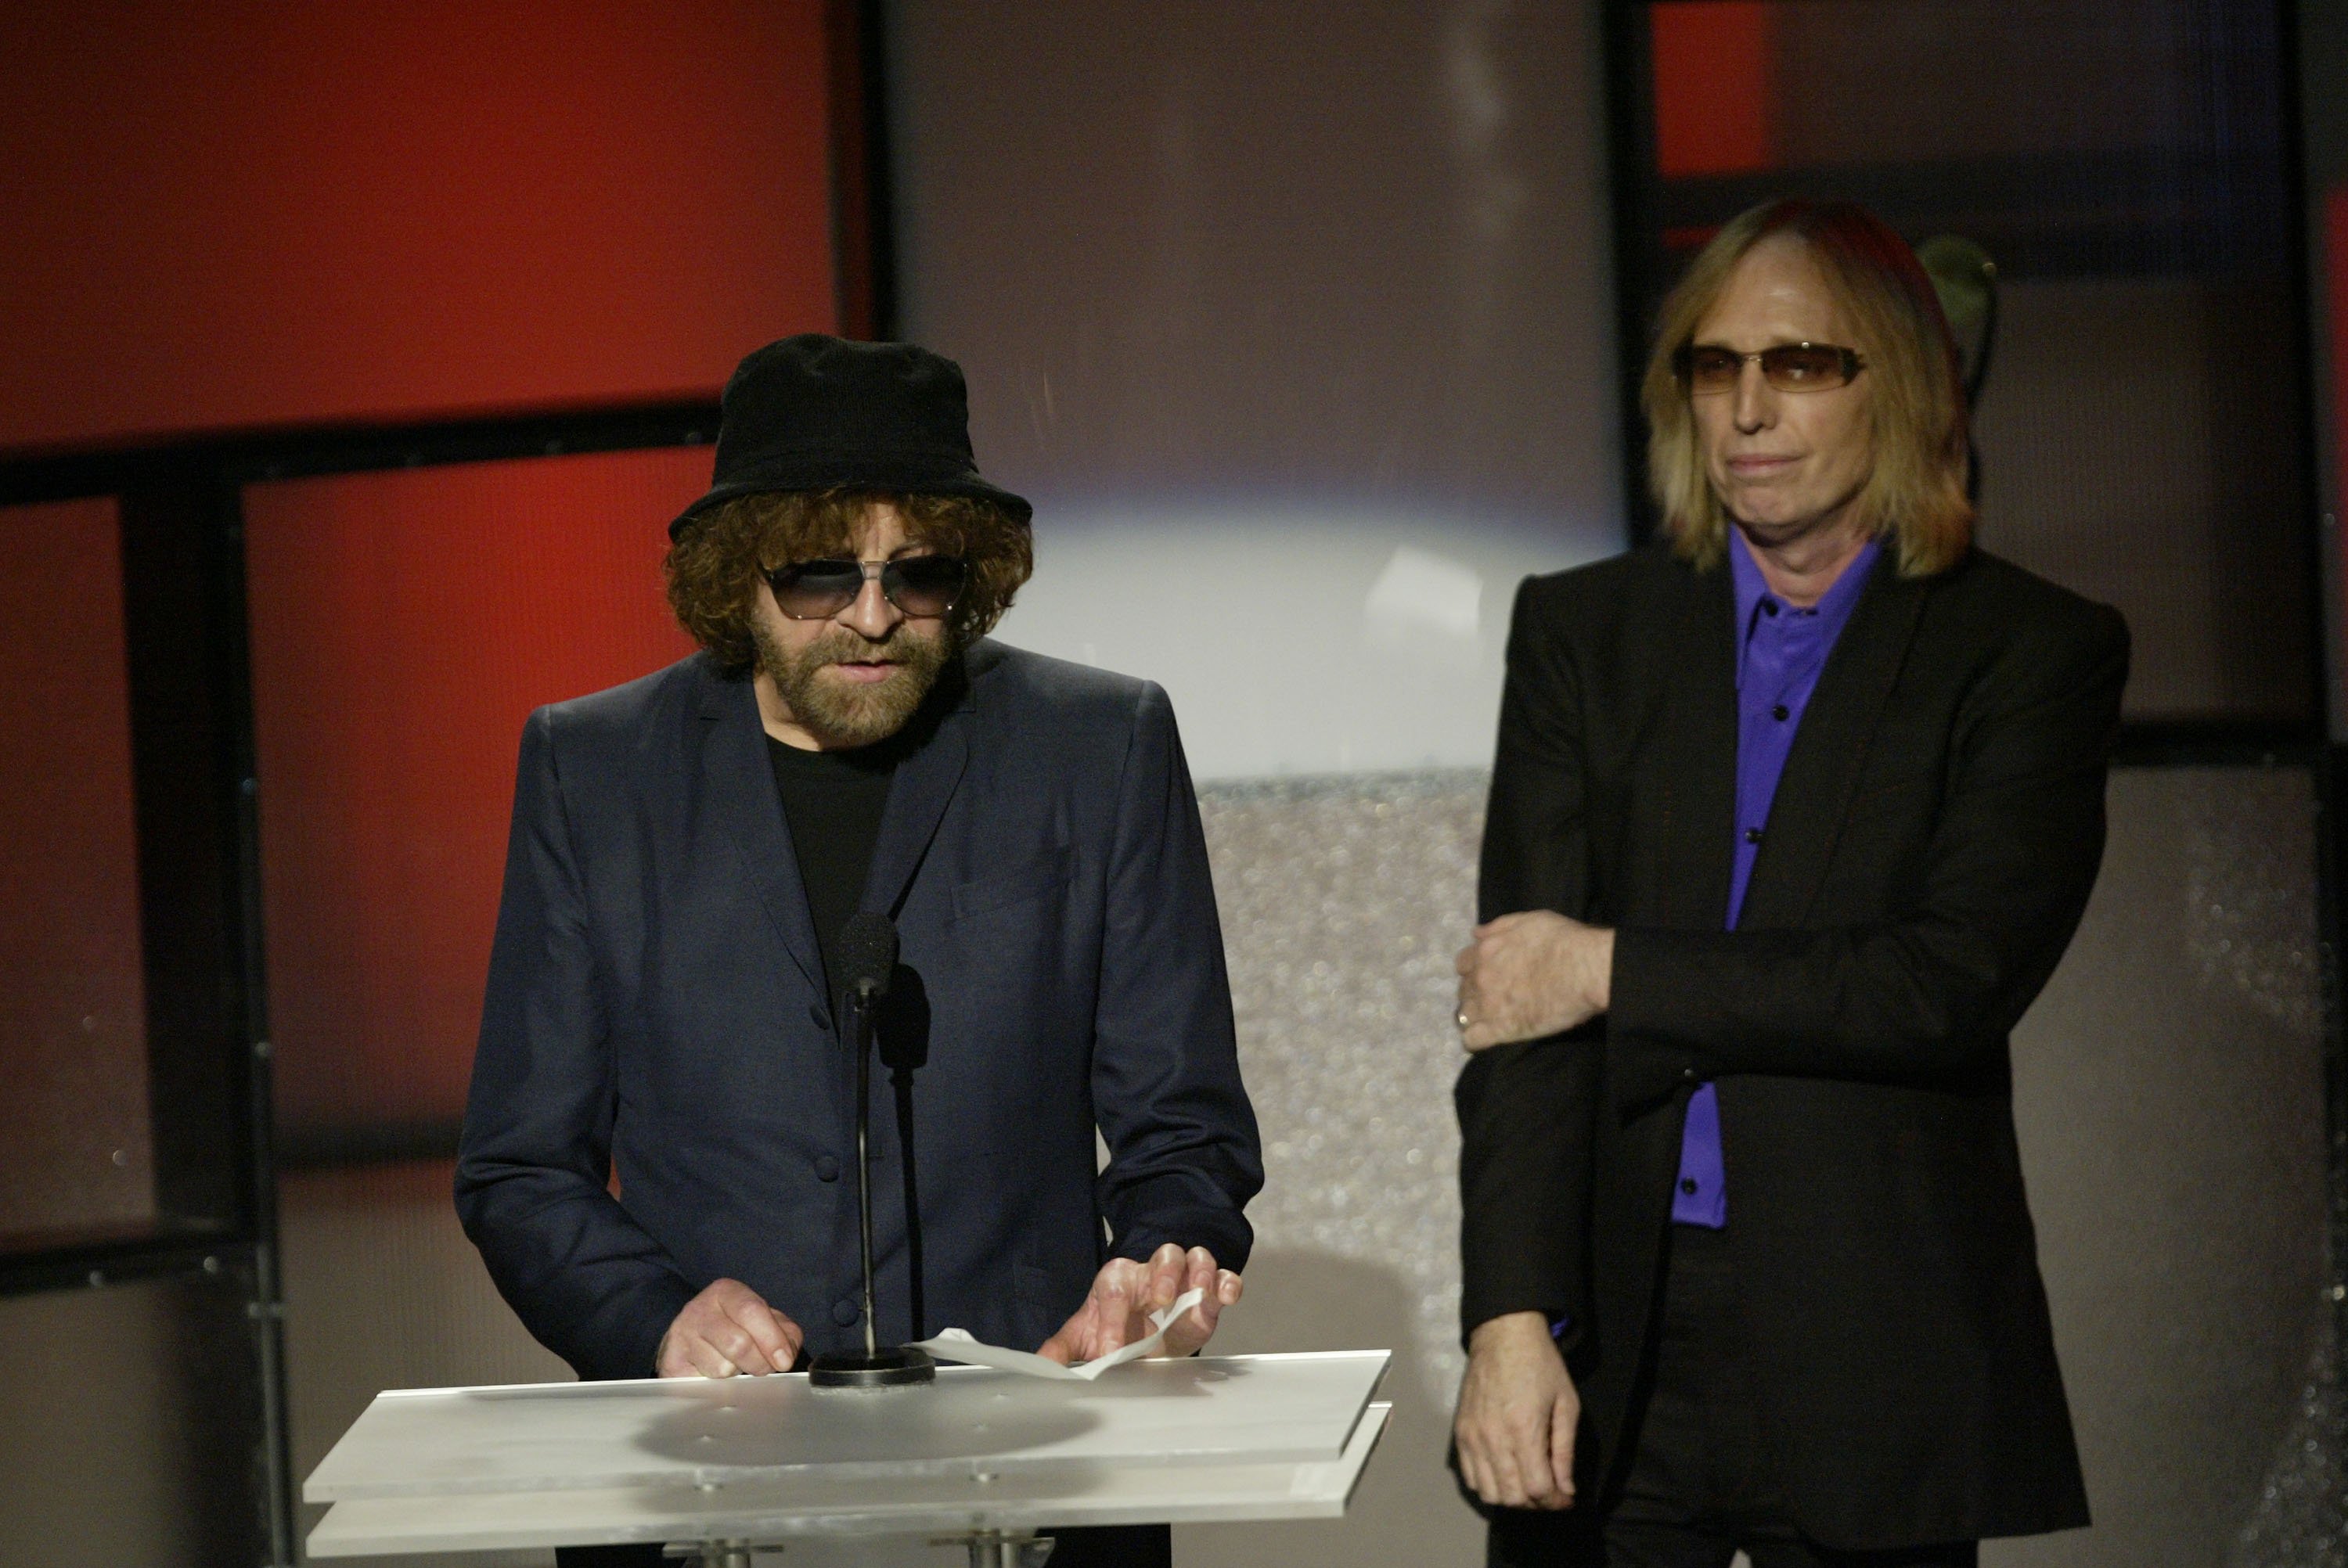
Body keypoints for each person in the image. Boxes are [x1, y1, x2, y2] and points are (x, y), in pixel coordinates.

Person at [456, 334, 1262, 1567]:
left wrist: (1154, 1271)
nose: (875, 616)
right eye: (822, 575)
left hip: (1032, 1490)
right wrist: (658, 1320)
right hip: (701, 1494)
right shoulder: (596, 770)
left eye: (917, 573)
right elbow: (520, 1169)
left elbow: (1184, 1131)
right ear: (739, 577)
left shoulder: (1098, 749)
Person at [1449, 200, 2127, 1567]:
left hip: (1878, 1346)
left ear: (1905, 385)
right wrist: (1507, 1318)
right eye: (1717, 366)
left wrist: (1614, 967)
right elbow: (1523, 1020)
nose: (1750, 406)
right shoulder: (1590, 635)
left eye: (1802, 363)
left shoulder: (2027, 650)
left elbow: (1943, 982)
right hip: (1615, 1341)